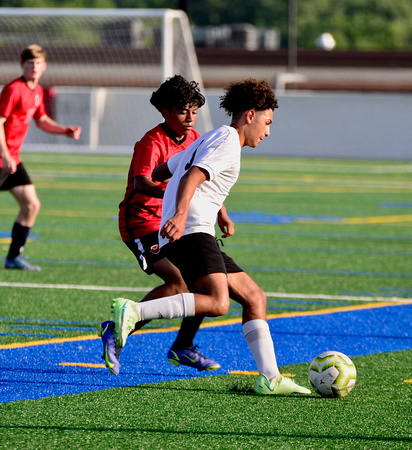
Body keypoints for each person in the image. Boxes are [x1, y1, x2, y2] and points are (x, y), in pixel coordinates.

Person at [110, 78, 311, 395]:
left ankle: (270, 378)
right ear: (250, 115)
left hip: (193, 225)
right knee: (217, 303)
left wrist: (216, 207)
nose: (268, 131)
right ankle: (135, 311)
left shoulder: (211, 137)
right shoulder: (228, 141)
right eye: (267, 122)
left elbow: (166, 170)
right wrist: (177, 214)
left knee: (254, 297)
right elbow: (192, 174)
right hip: (191, 228)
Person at [99, 75, 221, 375]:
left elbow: (203, 178)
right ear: (165, 112)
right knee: (179, 282)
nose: (191, 117)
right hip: (141, 222)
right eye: (183, 111)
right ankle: (115, 332)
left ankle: (183, 346)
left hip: (175, 222)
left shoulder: (195, 139)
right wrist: (172, 193)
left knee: (201, 282)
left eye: (194, 110)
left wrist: (221, 211)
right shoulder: (151, 142)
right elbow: (142, 182)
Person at [0, 44, 81, 271]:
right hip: (3, 158)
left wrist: (64, 130)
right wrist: (5, 154)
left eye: (37, 63)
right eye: (29, 63)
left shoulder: (36, 91)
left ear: (44, 66)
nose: (34, 67)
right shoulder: (13, 89)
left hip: (11, 159)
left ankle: (13, 258)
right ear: (21, 65)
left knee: (31, 204)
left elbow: (41, 119)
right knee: (30, 204)